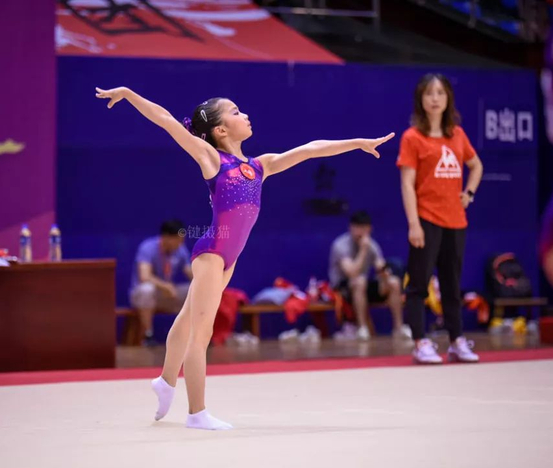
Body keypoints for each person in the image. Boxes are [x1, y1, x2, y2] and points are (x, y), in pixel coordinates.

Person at [96, 86, 394, 429]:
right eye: (236, 112)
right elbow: (166, 121)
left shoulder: (260, 165)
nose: (246, 115)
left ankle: (165, 382)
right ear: (221, 130)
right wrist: (129, 95)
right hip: (211, 252)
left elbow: (310, 150)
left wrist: (357, 143)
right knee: (201, 333)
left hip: (229, 258)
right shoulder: (212, 159)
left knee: (187, 319)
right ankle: (196, 413)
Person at [397, 73, 484, 365]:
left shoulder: (457, 134)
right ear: (420, 99)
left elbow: (476, 165)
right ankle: (420, 342)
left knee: (452, 284)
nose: (435, 99)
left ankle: (456, 341)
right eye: (429, 93)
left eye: (440, 93)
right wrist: (414, 224)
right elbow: (407, 183)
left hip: (456, 221)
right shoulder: (412, 138)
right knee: (418, 285)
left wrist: (468, 193)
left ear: (448, 99)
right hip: (426, 219)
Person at [329, 211, 412, 341]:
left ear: (369, 229)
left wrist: (385, 274)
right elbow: (352, 272)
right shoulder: (340, 245)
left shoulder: (372, 245)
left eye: (363, 228)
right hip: (343, 288)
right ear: (350, 227)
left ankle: (399, 328)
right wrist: (363, 250)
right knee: (359, 281)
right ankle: (362, 329)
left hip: (363, 285)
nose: (360, 232)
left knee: (394, 283)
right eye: (357, 227)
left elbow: (380, 266)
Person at [130, 219, 193, 346]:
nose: (181, 243)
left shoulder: (180, 250)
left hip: (168, 294)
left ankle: (193, 336)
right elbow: (144, 276)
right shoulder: (148, 247)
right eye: (178, 240)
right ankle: (148, 335)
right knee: (146, 290)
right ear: (166, 237)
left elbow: (191, 274)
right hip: (144, 296)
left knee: (194, 291)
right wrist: (164, 286)